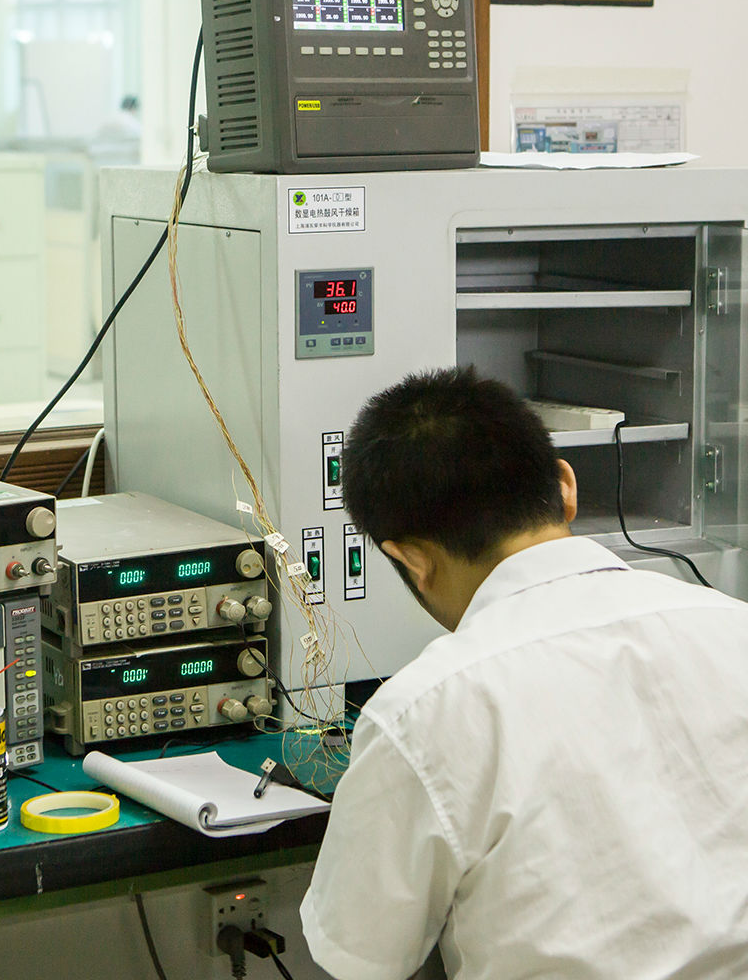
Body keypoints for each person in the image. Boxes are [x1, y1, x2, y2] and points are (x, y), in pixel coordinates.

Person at [300, 366, 748, 980]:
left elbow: (357, 958)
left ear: (411, 559)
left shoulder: (424, 712)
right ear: (566, 486)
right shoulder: (733, 626)